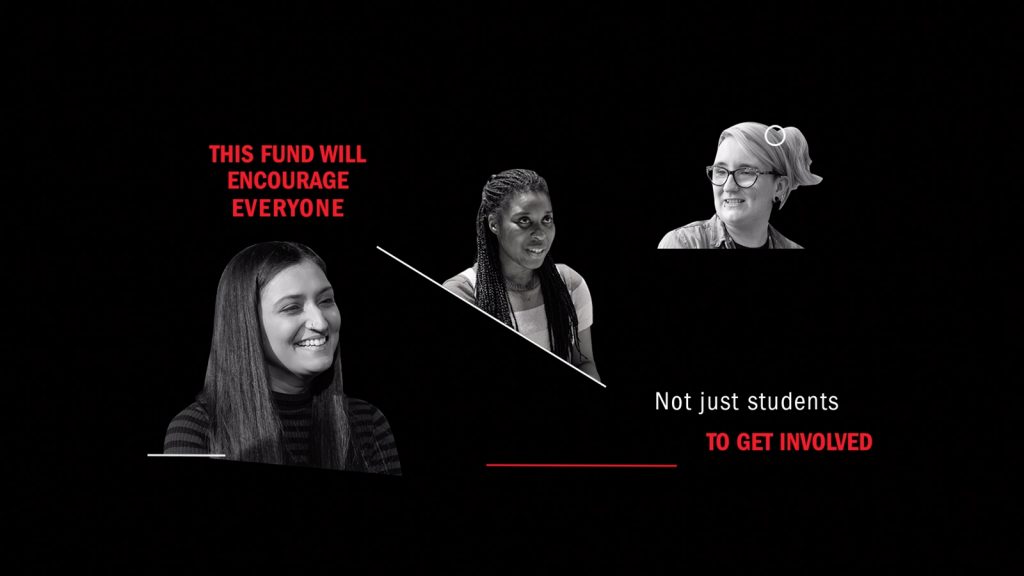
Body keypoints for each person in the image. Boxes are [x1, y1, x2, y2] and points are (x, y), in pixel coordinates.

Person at [164, 241, 401, 473]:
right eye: (291, 308)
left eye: (326, 300)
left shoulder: (366, 422)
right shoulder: (197, 430)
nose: (320, 322)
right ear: (246, 323)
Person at [443, 169, 600, 382]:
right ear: (494, 224)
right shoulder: (462, 293)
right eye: (524, 220)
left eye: (547, 219)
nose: (540, 233)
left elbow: (583, 362)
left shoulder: (569, 285)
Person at [659, 122, 822, 249]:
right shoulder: (683, 243)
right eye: (720, 171)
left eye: (746, 172)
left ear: (779, 187)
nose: (728, 187)